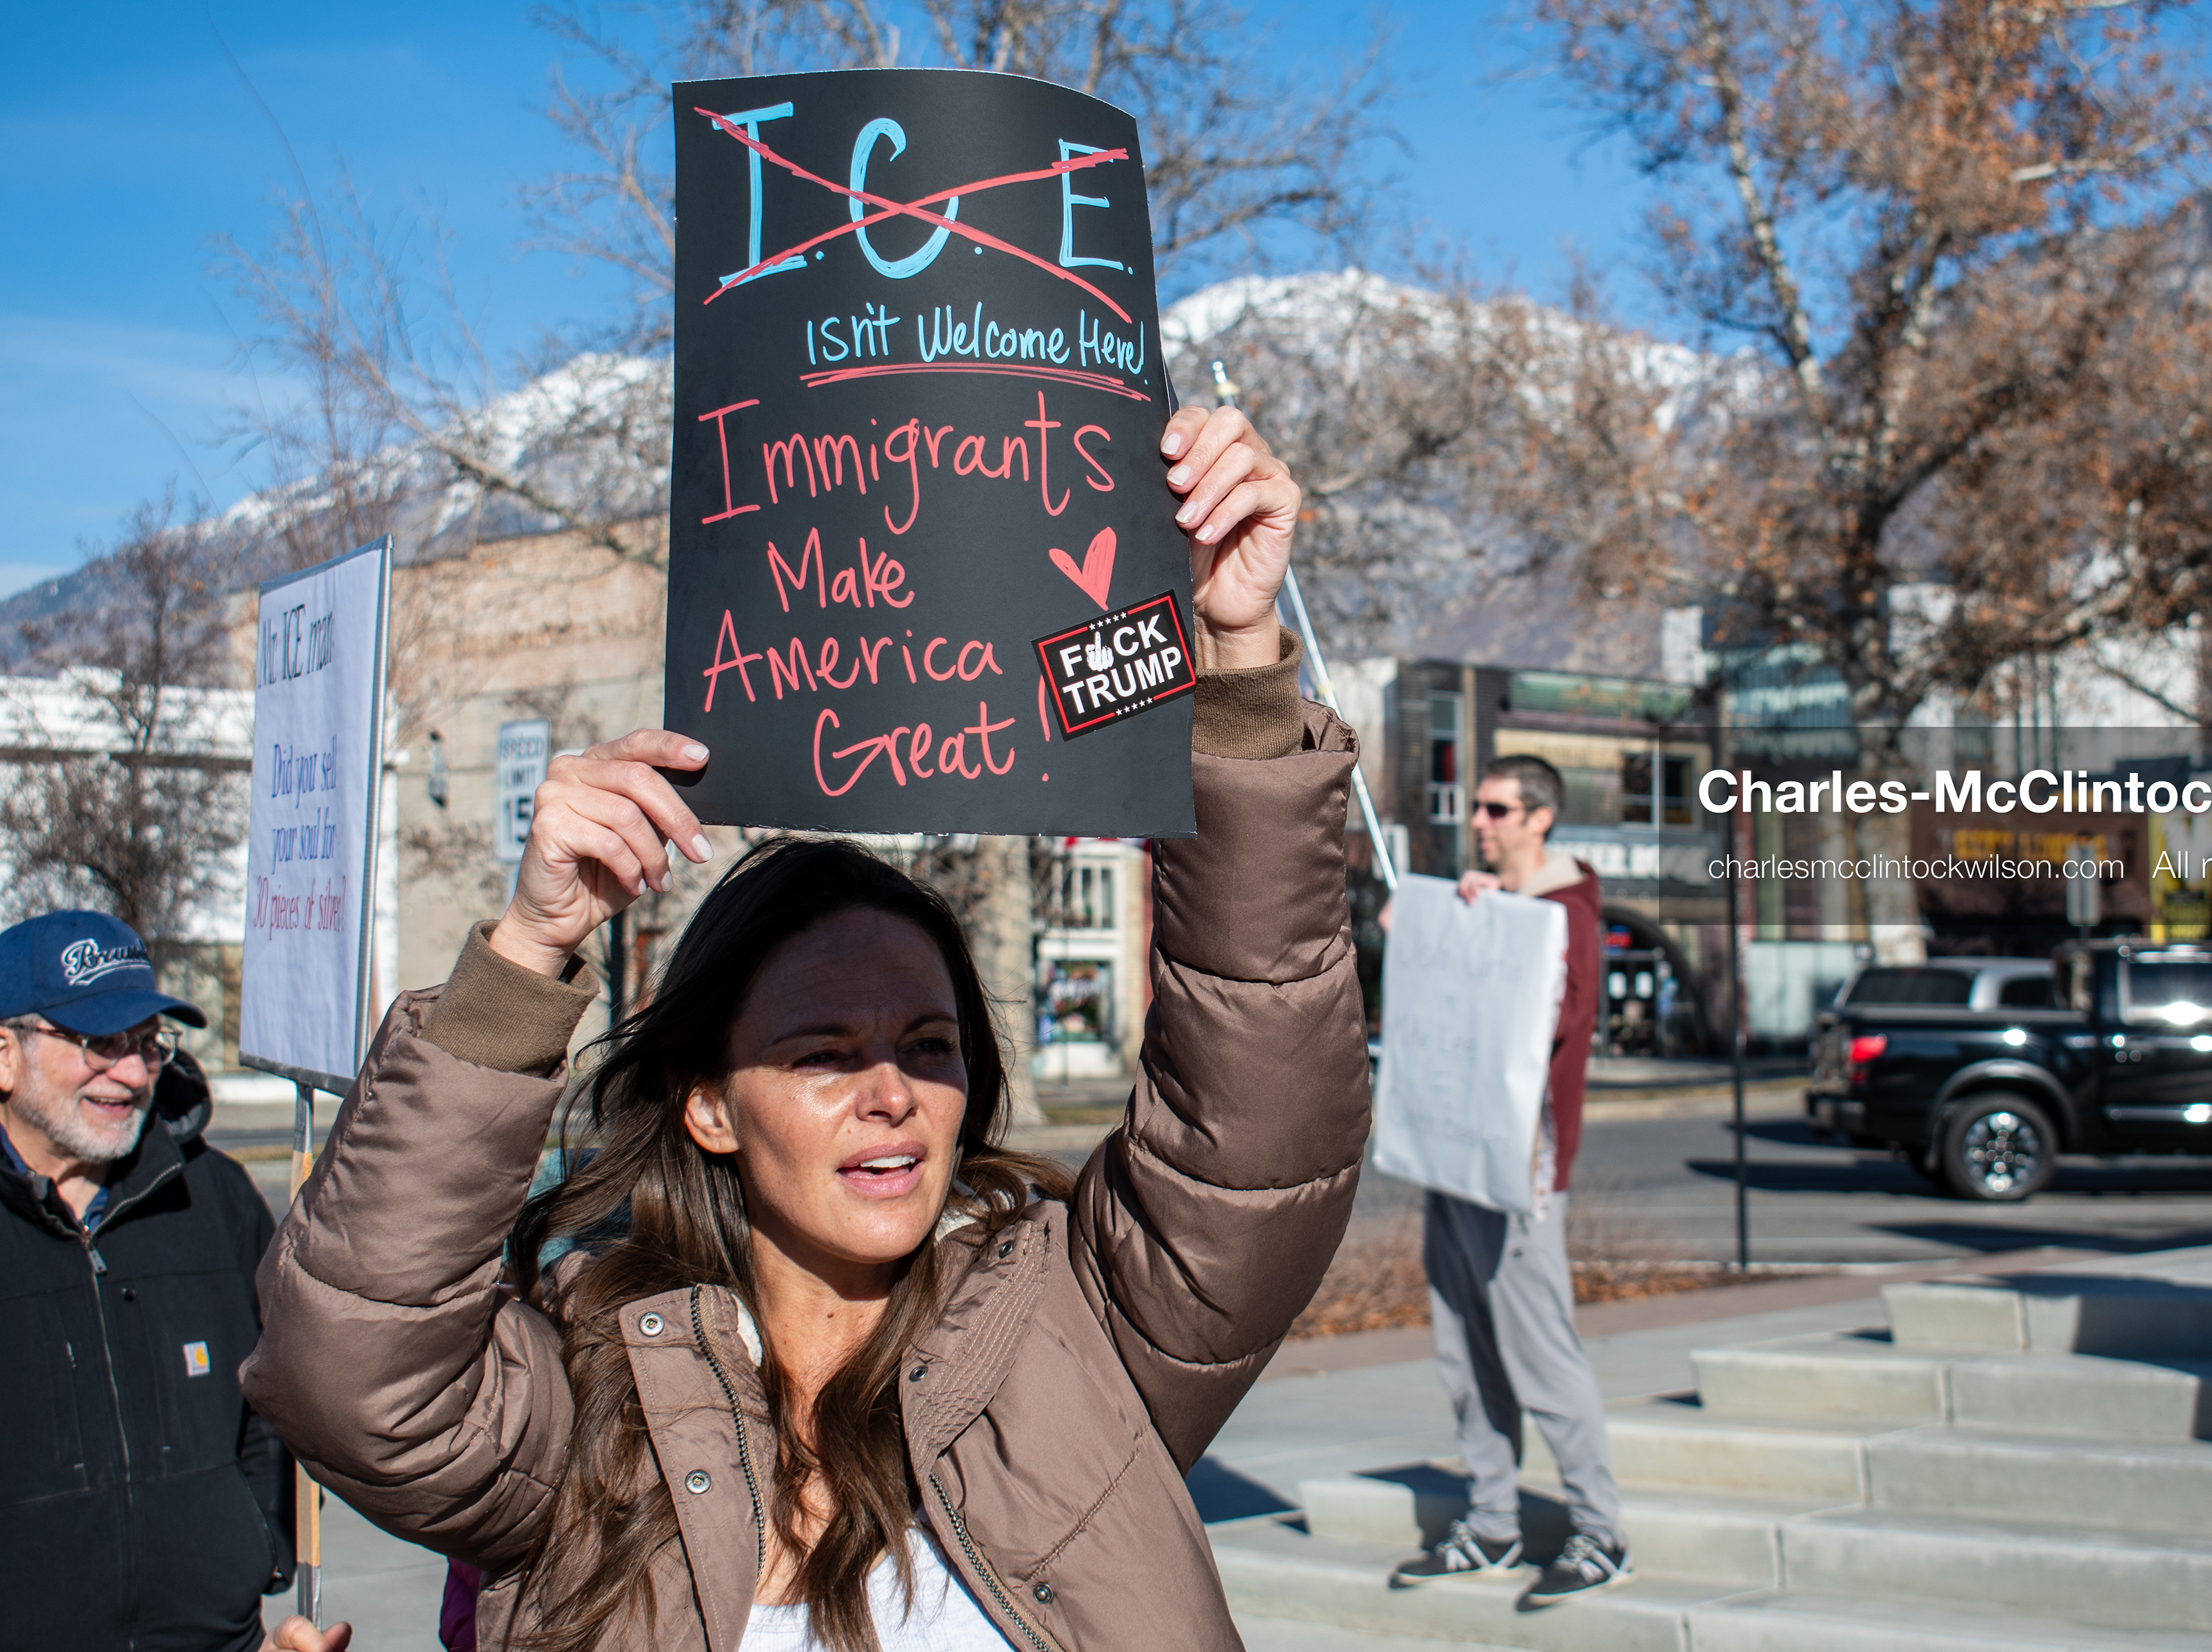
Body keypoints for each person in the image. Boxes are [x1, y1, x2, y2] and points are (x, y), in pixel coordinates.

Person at [243, 405, 1373, 1652]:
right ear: (709, 1103)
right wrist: (527, 954)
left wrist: (1236, 669)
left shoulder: (1078, 1333)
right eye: (824, 1054)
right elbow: (348, 1370)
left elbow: (1257, 1124)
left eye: (929, 1048)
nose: (890, 1092)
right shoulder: (584, 1400)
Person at [0, 909, 296, 1652]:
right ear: (4, 1053)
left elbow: (273, 1392)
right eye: (100, 1042)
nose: (131, 1074)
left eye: (146, 1045)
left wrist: (252, 1544)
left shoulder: (214, 1195)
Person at [1388, 754, 1631, 1608]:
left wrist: (1489, 932)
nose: (1479, 821)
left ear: (1540, 819)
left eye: (1496, 809)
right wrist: (1435, 931)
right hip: (1452, 1156)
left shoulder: (1565, 912)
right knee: (1464, 1347)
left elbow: (1556, 1016)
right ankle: (1493, 1523)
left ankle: (1600, 1532)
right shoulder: (1493, 906)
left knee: (1539, 1349)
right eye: (1478, 808)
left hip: (1520, 1169)